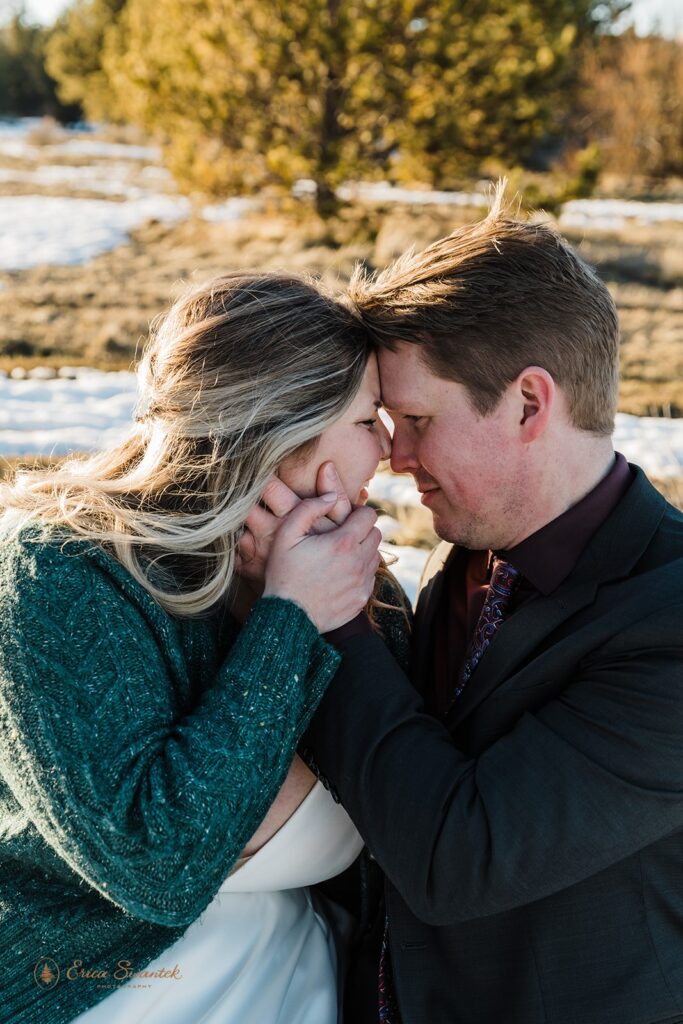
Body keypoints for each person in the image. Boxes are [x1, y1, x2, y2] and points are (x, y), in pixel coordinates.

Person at [247, 197, 683, 1023]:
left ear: (527, 403)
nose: (391, 455)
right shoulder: (475, 548)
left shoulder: (668, 618)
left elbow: (460, 858)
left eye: (415, 420)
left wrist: (324, 620)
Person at [0, 271, 408, 1024]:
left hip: (304, 982)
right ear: (278, 428)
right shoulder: (61, 575)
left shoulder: (361, 588)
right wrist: (286, 621)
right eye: (364, 419)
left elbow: (410, 807)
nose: (386, 448)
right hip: (98, 992)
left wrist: (333, 615)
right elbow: (158, 866)